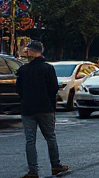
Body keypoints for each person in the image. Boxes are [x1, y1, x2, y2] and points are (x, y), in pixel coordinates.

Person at [15, 40, 69, 178]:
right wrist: (51, 105)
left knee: (30, 140)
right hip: (46, 108)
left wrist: (25, 100)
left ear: (31, 52)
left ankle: (33, 171)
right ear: (40, 52)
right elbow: (53, 89)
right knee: (50, 137)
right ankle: (55, 165)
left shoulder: (23, 70)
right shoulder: (48, 68)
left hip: (28, 109)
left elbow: (19, 90)